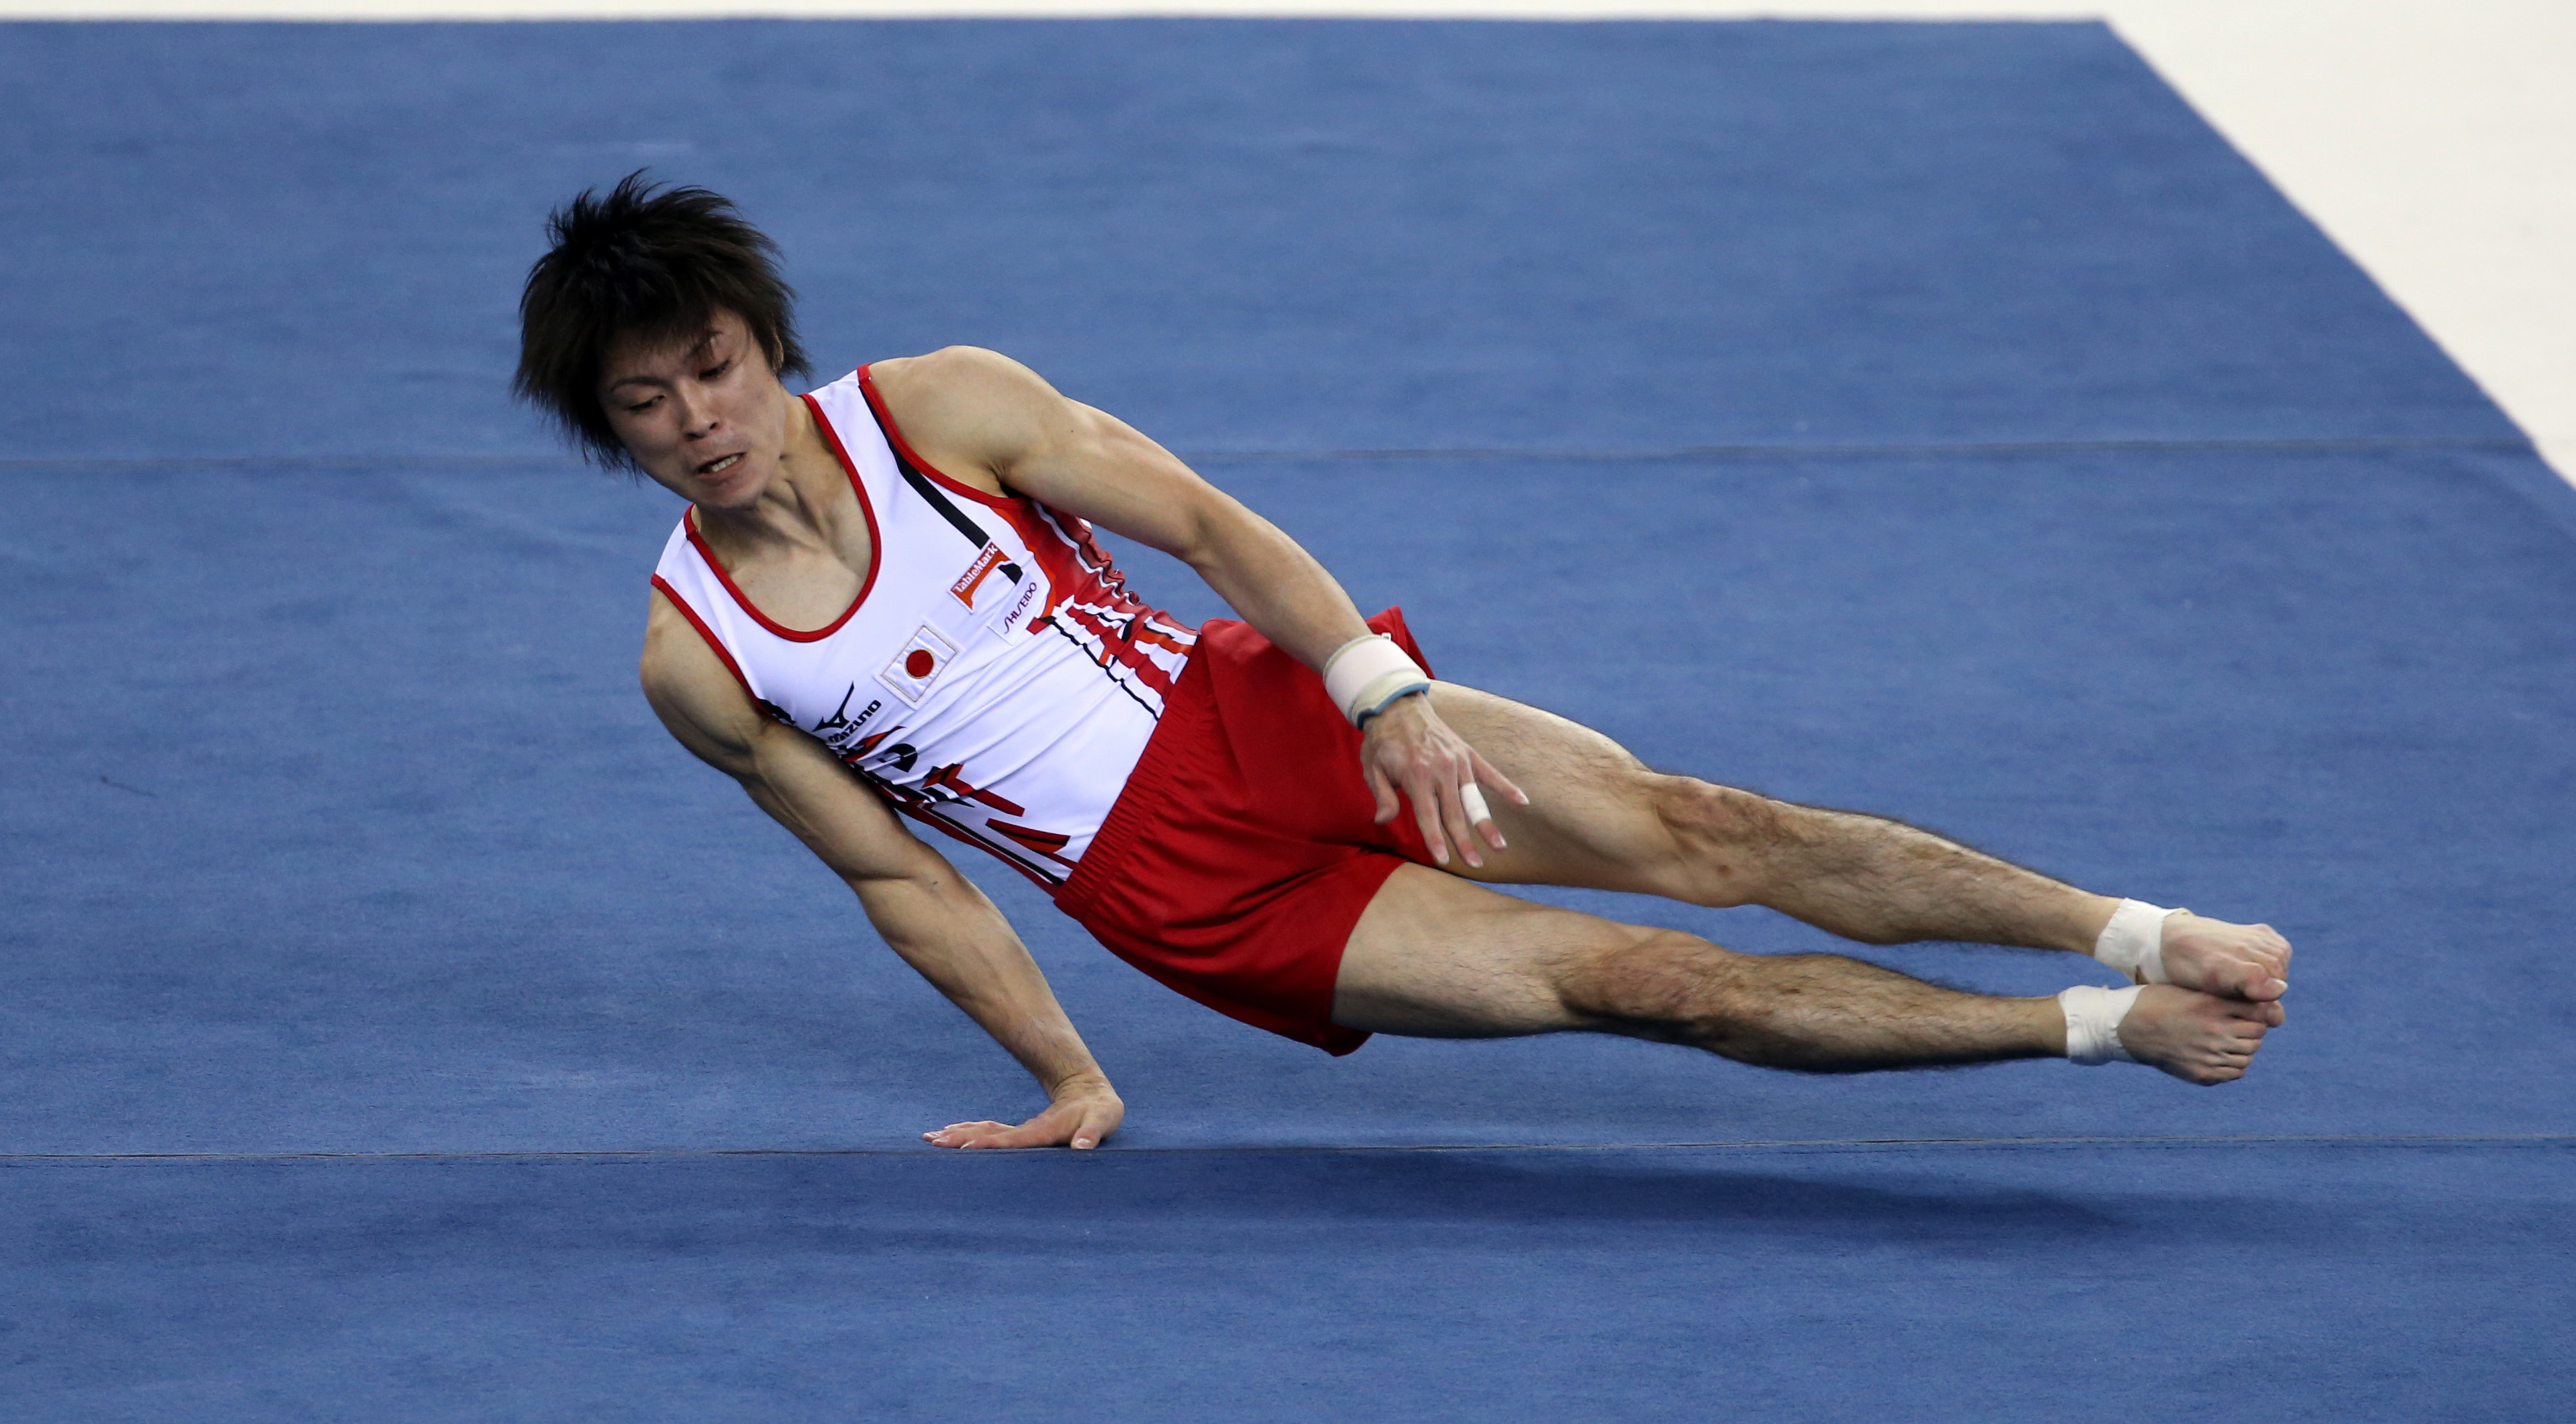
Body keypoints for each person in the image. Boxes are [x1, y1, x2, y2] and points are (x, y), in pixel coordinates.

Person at [514, 176, 2290, 1152]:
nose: (699, 423)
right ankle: (2098, 1031)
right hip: (1181, 896)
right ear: (609, 432)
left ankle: (2135, 930)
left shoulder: (943, 409)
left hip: (1265, 712)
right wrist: (1067, 1070)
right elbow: (903, 881)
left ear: (767, 344)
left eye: (716, 369)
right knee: (1651, 982)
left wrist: (1381, 691)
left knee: (1708, 827)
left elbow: (1207, 527)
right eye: (646, 404)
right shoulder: (700, 659)